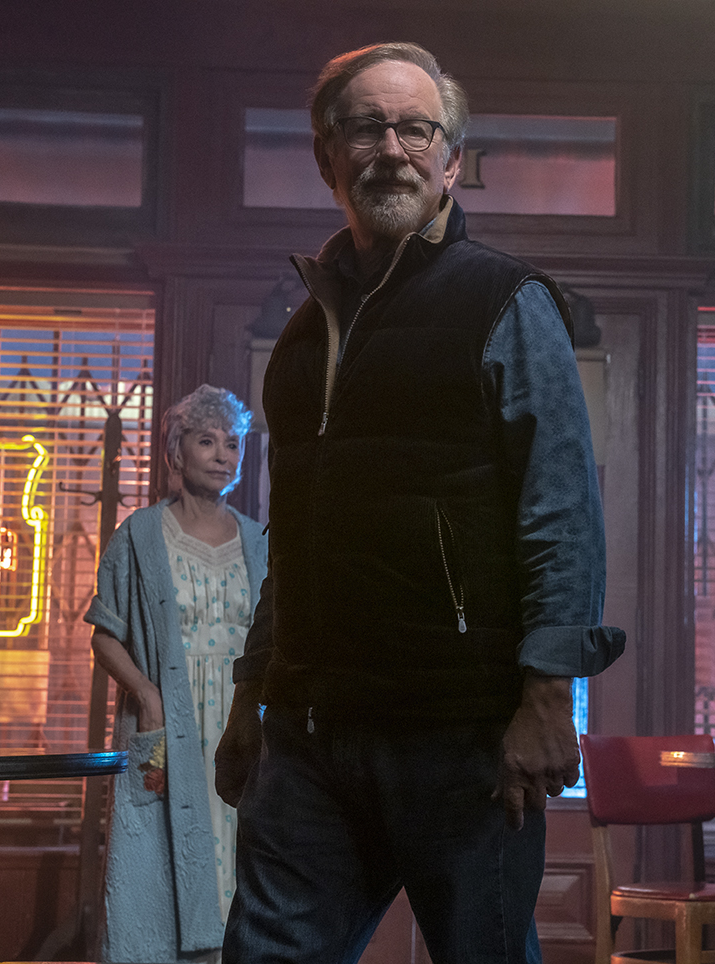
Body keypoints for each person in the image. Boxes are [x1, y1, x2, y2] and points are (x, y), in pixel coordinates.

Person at [215, 42, 625, 964]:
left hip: (465, 739)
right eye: (366, 128)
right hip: (313, 738)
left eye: (415, 128)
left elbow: (559, 508)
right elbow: (295, 536)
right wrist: (252, 696)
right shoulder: (301, 332)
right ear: (328, 157)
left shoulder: (504, 300)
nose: (391, 148)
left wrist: (548, 698)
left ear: (449, 160)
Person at [86, 384, 267, 963]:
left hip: (242, 725)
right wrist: (145, 694)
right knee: (155, 857)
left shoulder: (258, 541)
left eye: (232, 444)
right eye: (206, 440)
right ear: (175, 451)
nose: (222, 454)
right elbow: (104, 633)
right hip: (170, 721)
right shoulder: (140, 536)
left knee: (250, 856)